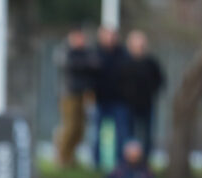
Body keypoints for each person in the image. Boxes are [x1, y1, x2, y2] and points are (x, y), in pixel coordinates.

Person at [118, 31, 164, 161]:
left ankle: (144, 161)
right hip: (127, 106)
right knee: (127, 136)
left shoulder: (151, 63)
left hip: (146, 104)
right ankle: (126, 162)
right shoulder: (124, 62)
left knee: (146, 136)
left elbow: (159, 81)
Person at [54, 28, 97, 168]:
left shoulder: (86, 52)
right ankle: (61, 157)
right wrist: (84, 63)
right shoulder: (65, 51)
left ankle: (70, 156)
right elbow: (71, 65)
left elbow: (95, 65)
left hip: (83, 94)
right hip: (69, 94)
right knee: (70, 126)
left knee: (80, 128)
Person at [91, 26, 130, 170]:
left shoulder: (123, 54)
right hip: (100, 100)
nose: (110, 38)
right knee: (96, 134)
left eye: (113, 35)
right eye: (107, 35)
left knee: (122, 135)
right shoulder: (95, 54)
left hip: (119, 101)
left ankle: (121, 165)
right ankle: (96, 163)